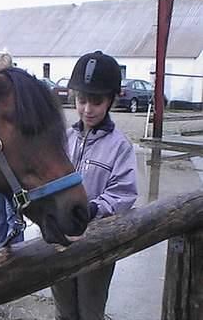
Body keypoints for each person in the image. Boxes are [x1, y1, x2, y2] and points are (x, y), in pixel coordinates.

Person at [51, 51, 138, 320]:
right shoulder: (65, 139)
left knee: (90, 311)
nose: (87, 109)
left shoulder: (119, 147)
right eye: (82, 100)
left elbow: (123, 193)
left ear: (112, 99)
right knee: (64, 310)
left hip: (97, 243)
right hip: (61, 241)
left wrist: (93, 209)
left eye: (96, 101)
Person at [0, 50, 25, 247]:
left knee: (14, 210)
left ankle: (17, 247)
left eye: (2, 72)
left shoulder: (16, 96)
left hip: (12, 162)